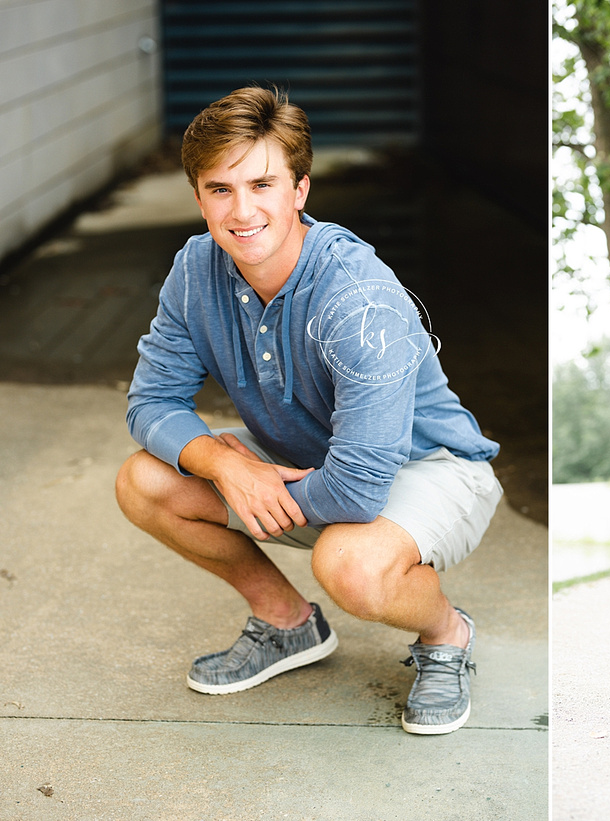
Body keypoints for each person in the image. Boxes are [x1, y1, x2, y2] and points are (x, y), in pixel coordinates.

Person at [115, 86, 502, 736]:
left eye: (262, 183)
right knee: (144, 481)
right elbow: (151, 401)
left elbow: (355, 488)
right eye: (220, 189)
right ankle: (288, 623)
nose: (242, 211)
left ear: (299, 189)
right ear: (198, 197)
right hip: (306, 460)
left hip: (432, 467)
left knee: (349, 562)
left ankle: (447, 633)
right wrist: (222, 462)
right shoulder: (194, 271)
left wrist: (259, 489)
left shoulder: (357, 296)